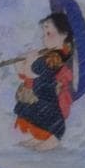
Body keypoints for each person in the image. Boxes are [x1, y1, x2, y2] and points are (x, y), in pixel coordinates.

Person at [13, 12, 75, 151]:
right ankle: (40, 136)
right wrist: (20, 61)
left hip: (46, 92)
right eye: (44, 33)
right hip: (38, 90)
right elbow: (24, 72)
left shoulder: (58, 56)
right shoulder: (48, 54)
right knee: (33, 112)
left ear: (64, 34)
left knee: (49, 115)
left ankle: (54, 138)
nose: (43, 37)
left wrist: (29, 60)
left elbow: (31, 73)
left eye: (48, 33)